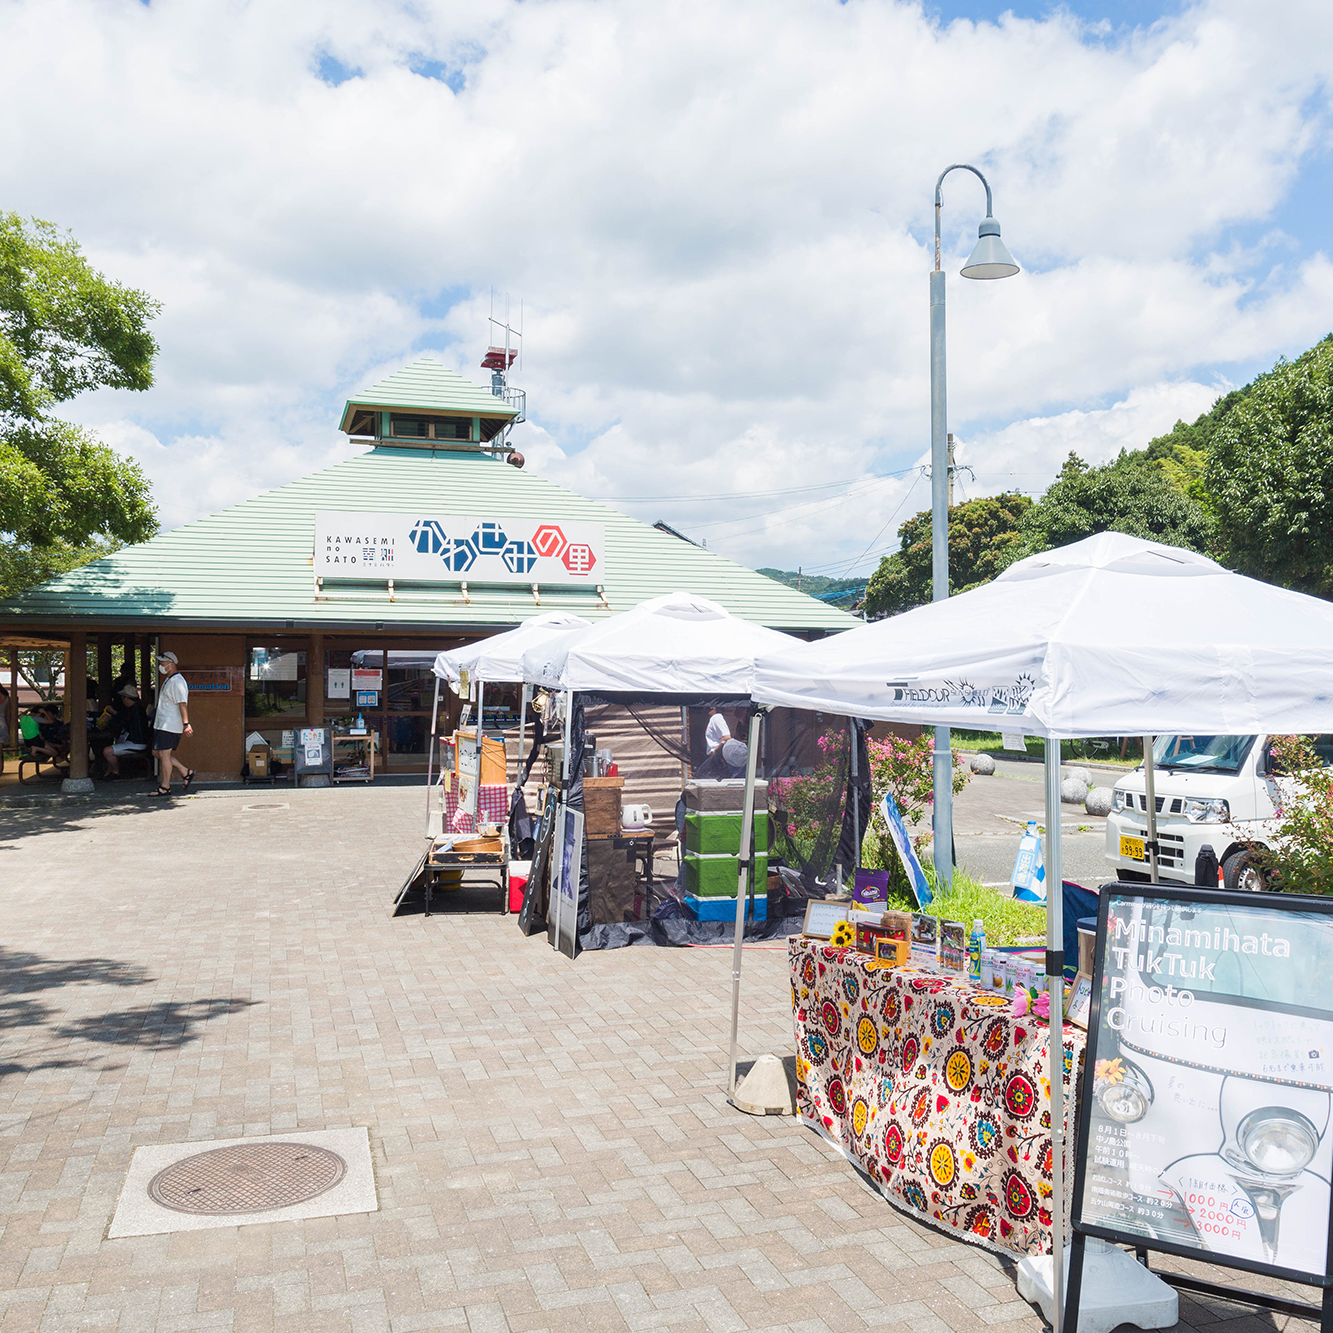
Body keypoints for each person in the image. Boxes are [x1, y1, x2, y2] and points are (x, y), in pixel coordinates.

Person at [150, 651, 195, 796]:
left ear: (171, 664)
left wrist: (186, 724)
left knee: (164, 754)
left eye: (163, 663)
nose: (161, 666)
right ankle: (185, 771)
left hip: (170, 724)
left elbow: (182, 703)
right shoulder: (169, 679)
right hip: (162, 723)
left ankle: (165, 786)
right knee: (157, 753)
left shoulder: (177, 681)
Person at [100, 684, 149, 779]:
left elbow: (121, 721)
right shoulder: (136, 708)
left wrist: (110, 718)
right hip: (134, 741)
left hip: (137, 743)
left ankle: (115, 772)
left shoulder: (134, 710)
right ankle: (107, 773)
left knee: (107, 751)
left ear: (126, 698)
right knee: (113, 748)